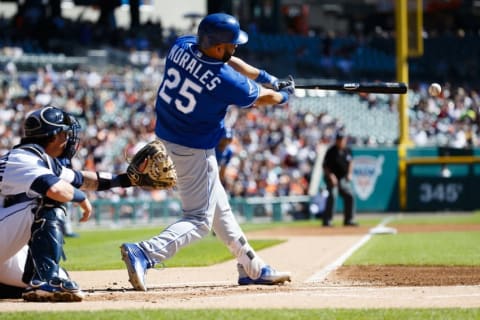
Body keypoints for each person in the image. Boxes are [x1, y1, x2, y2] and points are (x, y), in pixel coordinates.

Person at [120, 12, 294, 291]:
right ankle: (146, 252)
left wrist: (265, 76)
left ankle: (253, 267)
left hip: (167, 136)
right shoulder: (225, 79)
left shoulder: (182, 44)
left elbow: (228, 61)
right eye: (231, 43)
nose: (235, 47)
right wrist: (285, 94)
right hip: (193, 148)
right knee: (199, 220)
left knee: (219, 209)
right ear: (216, 45)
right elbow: (265, 98)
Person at [0, 105, 133, 302]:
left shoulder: (39, 159)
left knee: (61, 279)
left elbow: (83, 179)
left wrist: (129, 180)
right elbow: (56, 190)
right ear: (53, 136)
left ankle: (38, 280)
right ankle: (46, 280)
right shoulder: (22, 158)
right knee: (47, 200)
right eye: (64, 133)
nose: (68, 139)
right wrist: (82, 198)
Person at [321, 130, 358, 227]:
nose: (341, 141)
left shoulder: (347, 150)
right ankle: (328, 220)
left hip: (342, 178)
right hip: (331, 177)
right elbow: (325, 166)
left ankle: (349, 220)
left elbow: (351, 162)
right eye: (340, 139)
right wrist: (331, 177)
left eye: (343, 139)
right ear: (336, 140)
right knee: (333, 195)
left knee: (350, 195)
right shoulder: (331, 151)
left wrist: (349, 174)